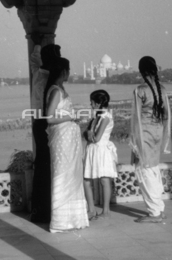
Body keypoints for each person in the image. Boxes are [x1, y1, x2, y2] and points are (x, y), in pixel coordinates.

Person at [44, 56, 89, 232]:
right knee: (63, 175)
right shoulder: (56, 91)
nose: (69, 74)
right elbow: (49, 117)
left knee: (71, 175)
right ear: (63, 71)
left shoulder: (61, 89)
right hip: (62, 141)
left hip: (69, 141)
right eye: (68, 71)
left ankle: (73, 219)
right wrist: (71, 117)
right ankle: (61, 221)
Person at [129, 56, 171, 223]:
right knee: (152, 168)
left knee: (144, 171)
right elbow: (166, 115)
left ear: (141, 71)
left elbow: (135, 118)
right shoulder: (163, 89)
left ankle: (154, 212)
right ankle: (159, 208)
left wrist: (134, 140)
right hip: (157, 132)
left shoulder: (140, 90)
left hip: (144, 133)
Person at [29, 32, 61, 223]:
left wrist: (38, 44)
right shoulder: (50, 82)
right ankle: (47, 210)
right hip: (46, 126)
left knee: (42, 167)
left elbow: (34, 60)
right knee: (48, 168)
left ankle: (40, 210)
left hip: (39, 125)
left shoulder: (38, 74)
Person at [83, 90, 118, 220]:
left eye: (92, 102)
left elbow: (96, 138)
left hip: (101, 150)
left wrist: (89, 135)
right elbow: (87, 134)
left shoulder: (105, 117)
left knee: (104, 180)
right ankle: (91, 210)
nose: (90, 104)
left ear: (98, 103)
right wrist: (88, 134)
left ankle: (106, 210)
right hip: (92, 150)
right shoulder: (96, 116)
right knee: (86, 180)